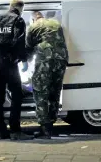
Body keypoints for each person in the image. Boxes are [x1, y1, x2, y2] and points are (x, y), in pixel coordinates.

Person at [0, 0, 32, 140]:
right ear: (20, 8)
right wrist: (23, 60)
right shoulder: (18, 20)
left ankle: (0, 130)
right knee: (17, 95)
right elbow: (19, 43)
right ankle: (15, 130)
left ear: (10, 7)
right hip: (9, 63)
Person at [25, 11, 69, 139]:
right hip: (61, 59)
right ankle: (52, 122)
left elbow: (28, 47)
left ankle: (45, 128)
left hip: (46, 59)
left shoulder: (33, 27)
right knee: (55, 91)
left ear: (33, 19)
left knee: (40, 91)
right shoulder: (56, 23)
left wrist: (25, 62)